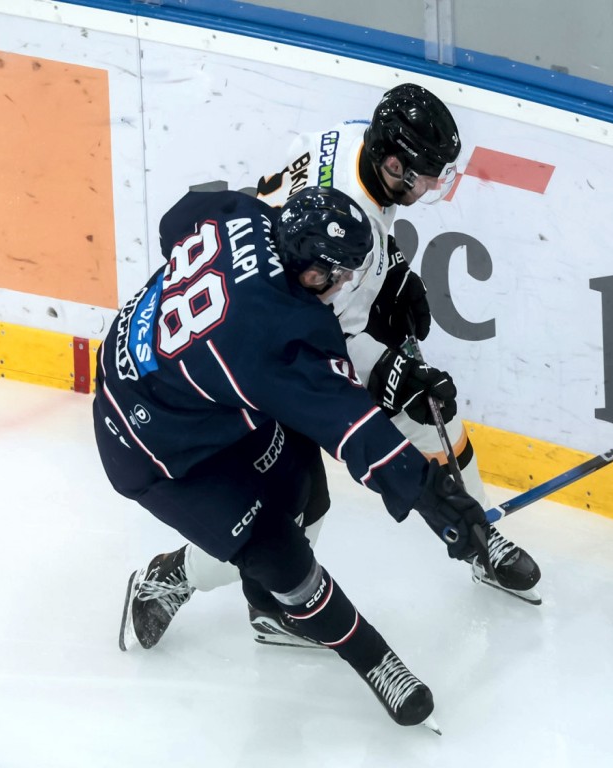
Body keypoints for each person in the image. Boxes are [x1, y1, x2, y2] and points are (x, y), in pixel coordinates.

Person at [94, 185, 490, 730]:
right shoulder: (271, 338)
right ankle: (374, 660)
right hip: (155, 449)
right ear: (307, 268)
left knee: (305, 493)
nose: (344, 284)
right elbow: (354, 429)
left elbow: (177, 219)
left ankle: (269, 613)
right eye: (338, 274)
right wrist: (432, 497)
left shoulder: (246, 213)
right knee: (281, 557)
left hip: (193, 392)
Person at [164, 84, 542, 631]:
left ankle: (478, 534)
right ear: (393, 164)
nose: (431, 186)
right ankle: (177, 575)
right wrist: (392, 371)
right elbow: (324, 336)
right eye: (425, 175)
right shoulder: (347, 234)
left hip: (289, 301)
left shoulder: (349, 143)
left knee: (428, 413)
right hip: (265, 356)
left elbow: (336, 235)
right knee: (292, 520)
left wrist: (394, 267)